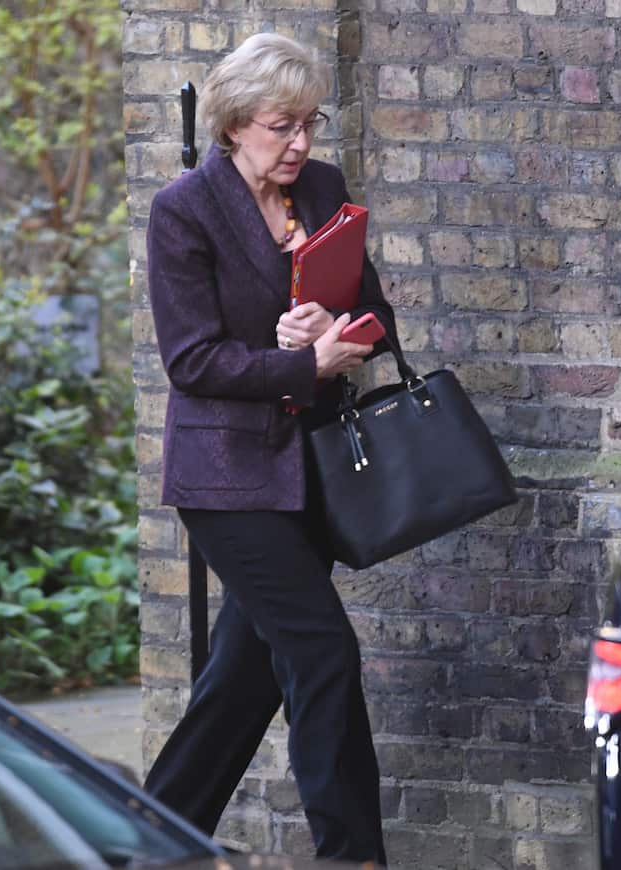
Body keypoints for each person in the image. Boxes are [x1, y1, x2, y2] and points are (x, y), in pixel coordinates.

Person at [142, 32, 396, 866]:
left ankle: (147, 845)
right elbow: (191, 361)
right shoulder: (184, 209)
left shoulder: (322, 189)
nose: (302, 145)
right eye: (283, 126)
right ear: (233, 123)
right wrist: (297, 362)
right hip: (226, 478)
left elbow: (380, 320)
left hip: (311, 469)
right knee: (323, 650)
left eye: (310, 125)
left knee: (239, 688)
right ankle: (351, 855)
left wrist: (338, 330)